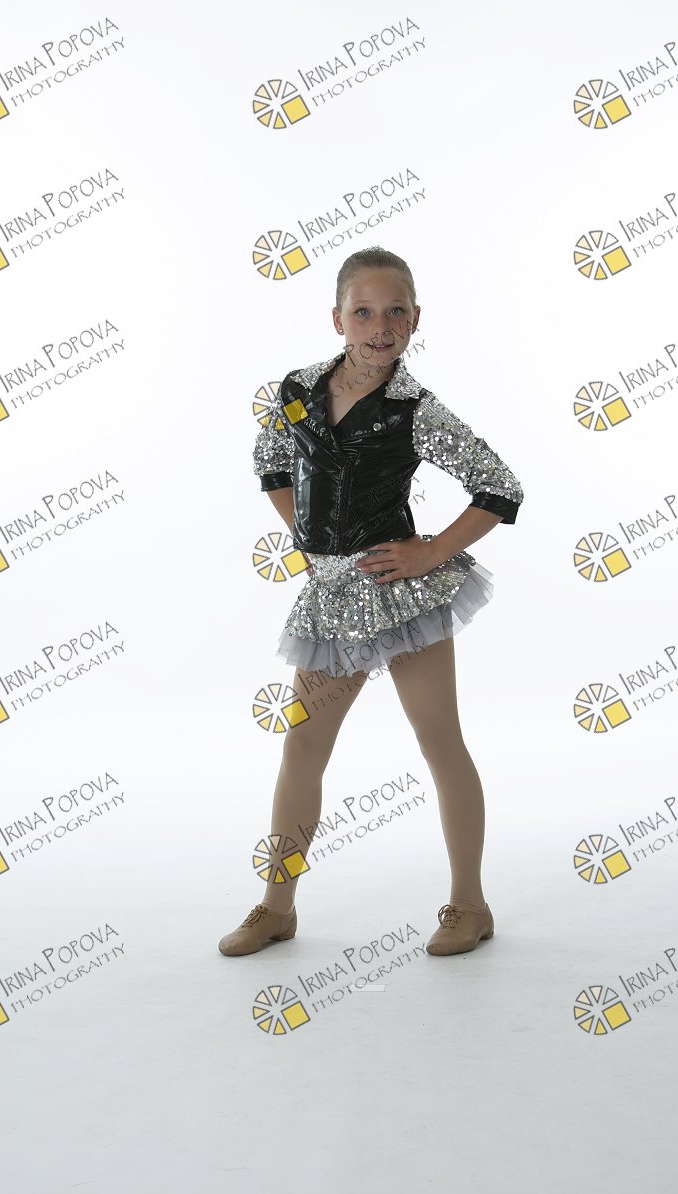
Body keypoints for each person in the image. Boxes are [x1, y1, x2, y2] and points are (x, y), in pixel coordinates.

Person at [218, 246, 524, 958]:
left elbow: (500, 487)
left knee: (439, 740)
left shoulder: (414, 410)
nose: (379, 327)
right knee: (302, 748)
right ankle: (276, 907)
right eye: (363, 312)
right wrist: (308, 539)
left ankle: (470, 905)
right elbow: (271, 463)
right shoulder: (297, 390)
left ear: (415, 320)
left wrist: (431, 552)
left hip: (403, 596)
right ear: (337, 319)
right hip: (331, 599)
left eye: (395, 313)